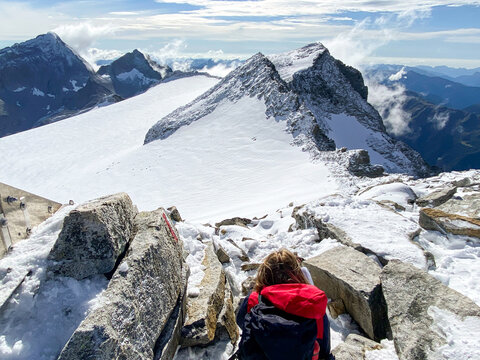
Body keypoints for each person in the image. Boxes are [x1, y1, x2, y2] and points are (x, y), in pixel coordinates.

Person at [236, 249, 334, 360]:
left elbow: (241, 322)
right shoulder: (314, 306)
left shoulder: (253, 301)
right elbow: (324, 350)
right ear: (298, 273)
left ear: (264, 275)